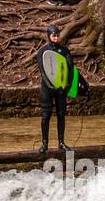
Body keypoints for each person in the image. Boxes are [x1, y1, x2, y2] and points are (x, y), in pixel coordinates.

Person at [37, 23, 88, 153]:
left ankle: (61, 142)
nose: (56, 37)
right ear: (49, 36)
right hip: (47, 89)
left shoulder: (64, 50)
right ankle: (44, 144)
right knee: (46, 115)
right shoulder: (43, 51)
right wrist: (51, 86)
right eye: (54, 35)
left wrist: (67, 86)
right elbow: (43, 72)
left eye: (58, 35)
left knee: (61, 115)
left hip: (62, 89)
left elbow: (70, 70)